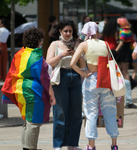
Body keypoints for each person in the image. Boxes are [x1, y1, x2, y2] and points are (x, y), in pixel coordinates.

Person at [1, 27, 56, 150]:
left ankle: (26, 147)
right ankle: (30, 148)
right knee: (34, 123)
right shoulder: (37, 58)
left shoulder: (19, 54)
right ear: (38, 41)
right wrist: (52, 95)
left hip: (20, 90)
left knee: (27, 120)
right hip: (33, 91)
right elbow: (45, 79)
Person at [70, 22, 119, 150]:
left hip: (91, 80)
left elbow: (72, 63)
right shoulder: (105, 44)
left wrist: (82, 73)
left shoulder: (83, 45)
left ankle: (91, 146)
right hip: (105, 80)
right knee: (110, 112)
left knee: (91, 114)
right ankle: (114, 144)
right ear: (97, 31)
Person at [46, 19, 85, 150]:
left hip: (75, 77)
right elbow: (48, 64)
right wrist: (62, 55)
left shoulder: (78, 43)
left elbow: (83, 66)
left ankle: (73, 144)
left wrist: (79, 56)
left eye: (70, 31)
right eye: (65, 31)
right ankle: (58, 144)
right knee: (60, 112)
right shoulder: (54, 44)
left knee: (76, 113)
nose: (68, 33)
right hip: (60, 77)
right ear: (60, 31)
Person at [116, 17, 135, 81]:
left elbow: (121, 42)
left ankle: (127, 86)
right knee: (123, 69)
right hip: (127, 50)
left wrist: (115, 50)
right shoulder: (129, 31)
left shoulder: (124, 31)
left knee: (124, 70)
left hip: (123, 51)